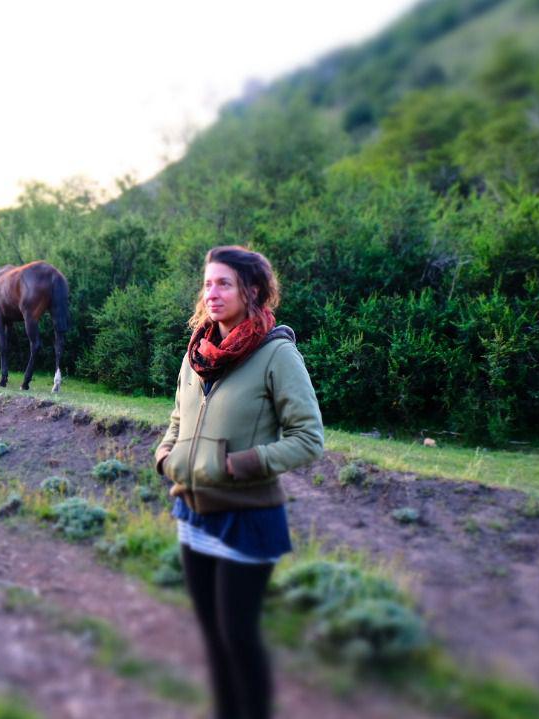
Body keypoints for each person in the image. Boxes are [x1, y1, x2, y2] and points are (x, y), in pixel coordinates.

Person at [154, 245, 324, 719]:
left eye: (223, 283)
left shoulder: (277, 355)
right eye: (207, 283)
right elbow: (177, 416)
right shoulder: (197, 352)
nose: (212, 292)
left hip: (247, 518)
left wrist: (241, 464)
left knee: (239, 637)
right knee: (212, 637)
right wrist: (165, 453)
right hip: (192, 510)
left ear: (252, 291)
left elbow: (309, 438)